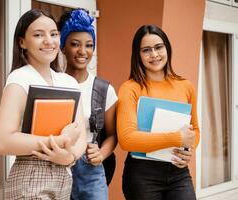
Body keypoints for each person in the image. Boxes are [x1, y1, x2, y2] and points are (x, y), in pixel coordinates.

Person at [0, 9, 86, 199]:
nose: (49, 41)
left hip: (64, 178)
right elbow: (0, 142)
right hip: (30, 177)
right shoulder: (20, 79)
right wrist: (58, 142)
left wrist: (70, 156)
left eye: (53, 34)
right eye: (38, 35)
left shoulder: (68, 82)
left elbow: (81, 134)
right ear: (22, 42)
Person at [117, 24, 200, 200]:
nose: (154, 55)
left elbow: (195, 130)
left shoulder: (186, 86)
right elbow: (127, 139)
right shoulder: (130, 88)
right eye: (146, 50)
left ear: (167, 48)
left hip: (178, 171)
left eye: (158, 47)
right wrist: (177, 138)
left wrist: (189, 150)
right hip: (142, 175)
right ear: (138, 55)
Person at [57, 8, 118, 200]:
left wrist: (101, 153)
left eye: (89, 45)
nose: (83, 51)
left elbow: (113, 135)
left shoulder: (103, 89)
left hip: (90, 170)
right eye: (75, 44)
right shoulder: (52, 84)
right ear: (62, 46)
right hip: (57, 167)